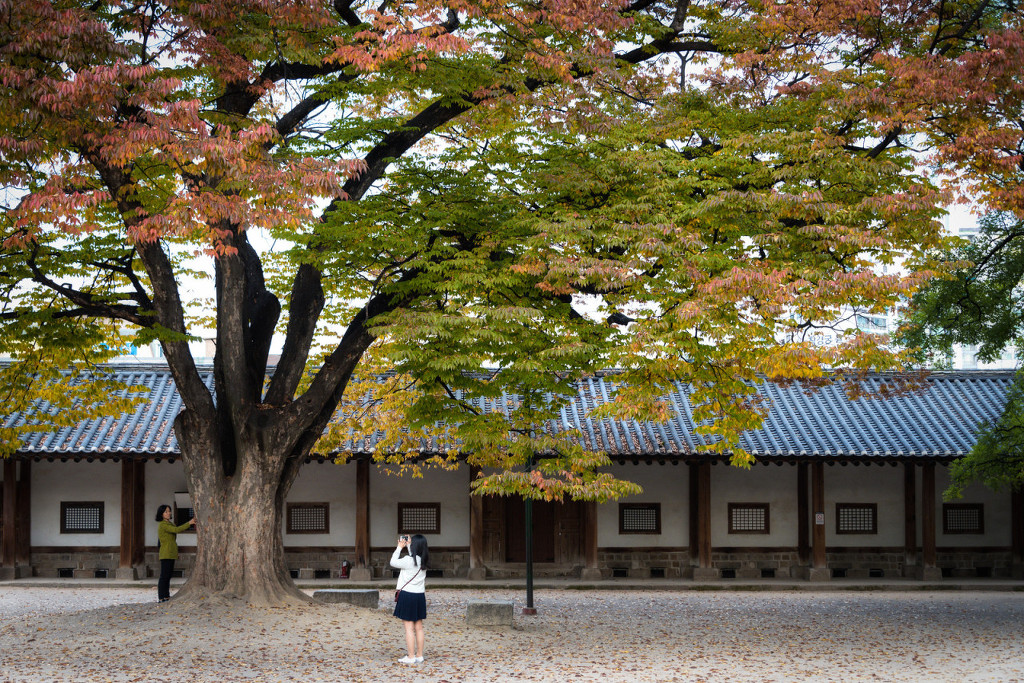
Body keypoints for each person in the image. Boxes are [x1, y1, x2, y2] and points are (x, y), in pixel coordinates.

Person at [390, 533, 429, 664]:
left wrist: (399, 547)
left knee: (408, 628)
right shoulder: (423, 561)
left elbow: (393, 562)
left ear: (414, 546)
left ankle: (411, 656)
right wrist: (408, 546)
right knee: (419, 627)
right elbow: (414, 557)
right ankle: (419, 655)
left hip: (407, 595)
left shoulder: (408, 560)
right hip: (419, 596)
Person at [155, 504, 195, 602]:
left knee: (168, 576)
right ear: (161, 514)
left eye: (169, 511)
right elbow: (176, 530)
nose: (168, 513)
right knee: (164, 576)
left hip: (171, 553)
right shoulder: (163, 525)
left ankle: (166, 596)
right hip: (166, 553)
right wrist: (189, 523)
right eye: (166, 512)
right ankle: (161, 597)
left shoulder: (170, 524)